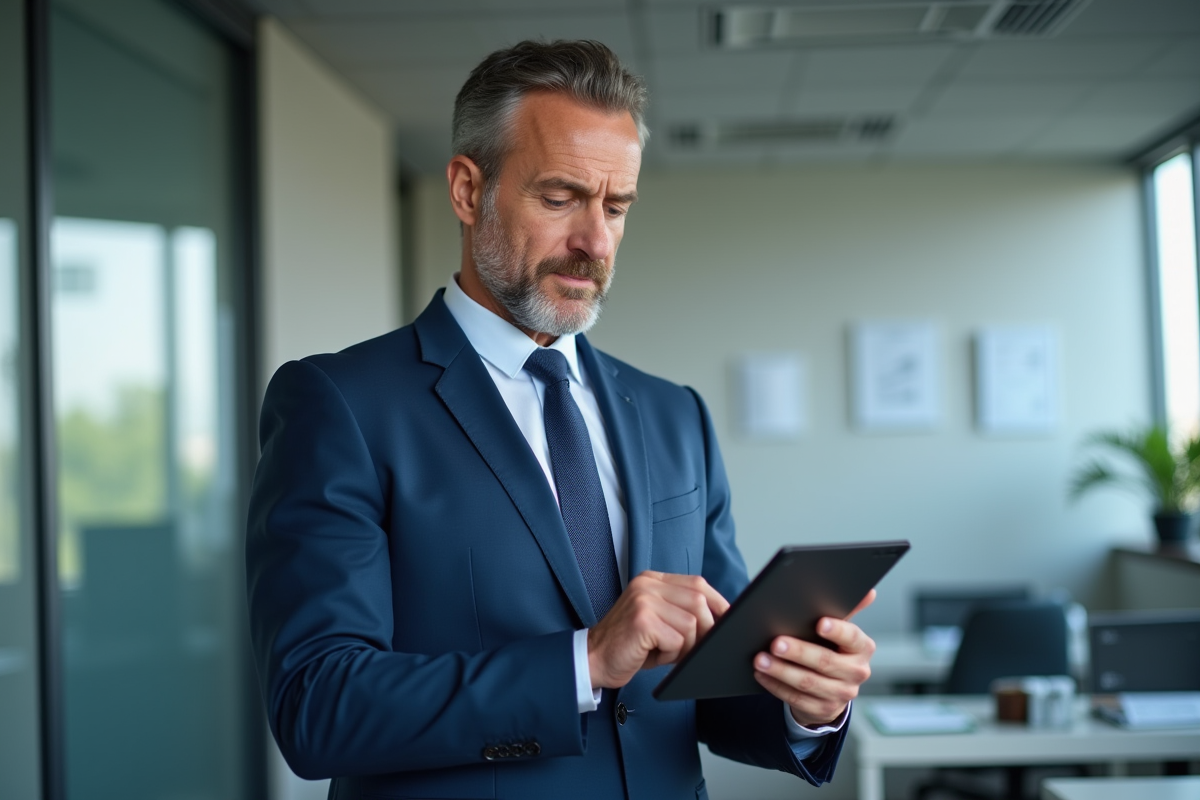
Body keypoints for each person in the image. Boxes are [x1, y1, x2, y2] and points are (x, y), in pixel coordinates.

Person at [246, 39, 876, 800]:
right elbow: (319, 706)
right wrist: (583, 660)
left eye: (616, 208)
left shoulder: (677, 417)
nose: (595, 242)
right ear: (467, 189)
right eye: (560, 198)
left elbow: (707, 686)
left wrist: (809, 701)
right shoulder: (338, 403)